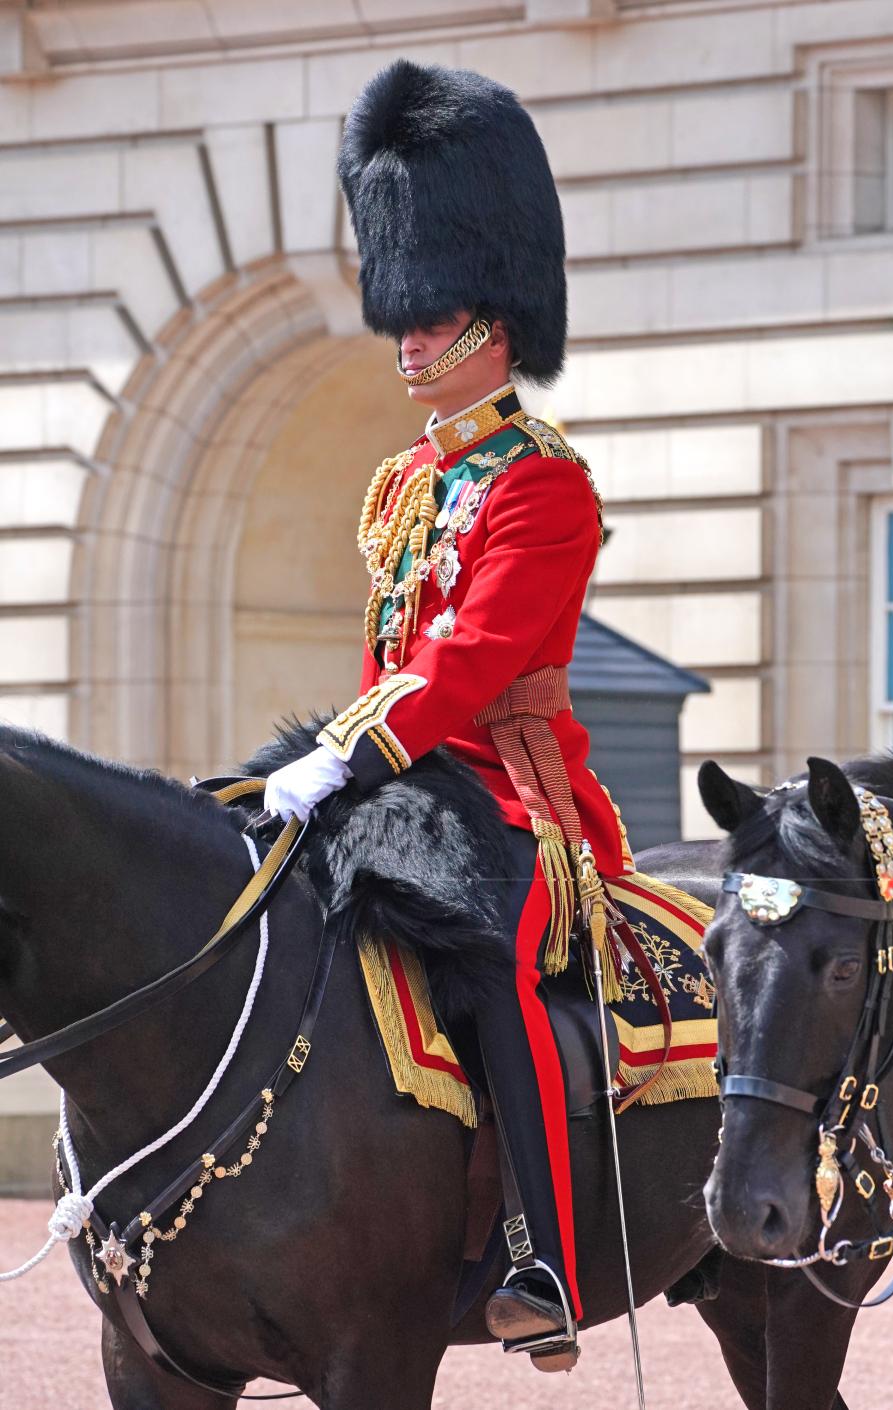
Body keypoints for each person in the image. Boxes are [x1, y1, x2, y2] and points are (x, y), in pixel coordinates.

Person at [264, 58, 634, 1373]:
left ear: (499, 323)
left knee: (491, 947)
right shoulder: (401, 483)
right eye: (404, 316)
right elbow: (389, 649)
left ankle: (550, 1252)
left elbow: (471, 663)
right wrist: (315, 759)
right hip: (395, 766)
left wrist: (354, 747)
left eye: (435, 317)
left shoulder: (544, 487)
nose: (409, 339)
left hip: (506, 782)